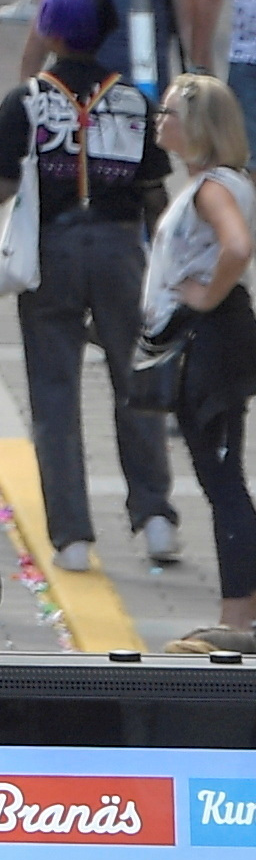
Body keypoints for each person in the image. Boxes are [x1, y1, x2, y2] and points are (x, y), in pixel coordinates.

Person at [0, 0, 179, 573]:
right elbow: (154, 193)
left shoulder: (26, 100)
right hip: (122, 251)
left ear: (49, 31)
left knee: (54, 390)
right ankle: (153, 518)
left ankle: (71, 536)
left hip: (52, 252)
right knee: (135, 379)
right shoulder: (135, 101)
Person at [140, 71, 256, 650]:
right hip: (214, 337)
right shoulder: (216, 183)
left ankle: (237, 615)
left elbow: (237, 246)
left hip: (208, 340)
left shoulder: (213, 187)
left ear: (199, 126)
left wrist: (206, 295)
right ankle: (240, 607)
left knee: (222, 479)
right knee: (222, 475)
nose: (160, 122)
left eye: (170, 114)